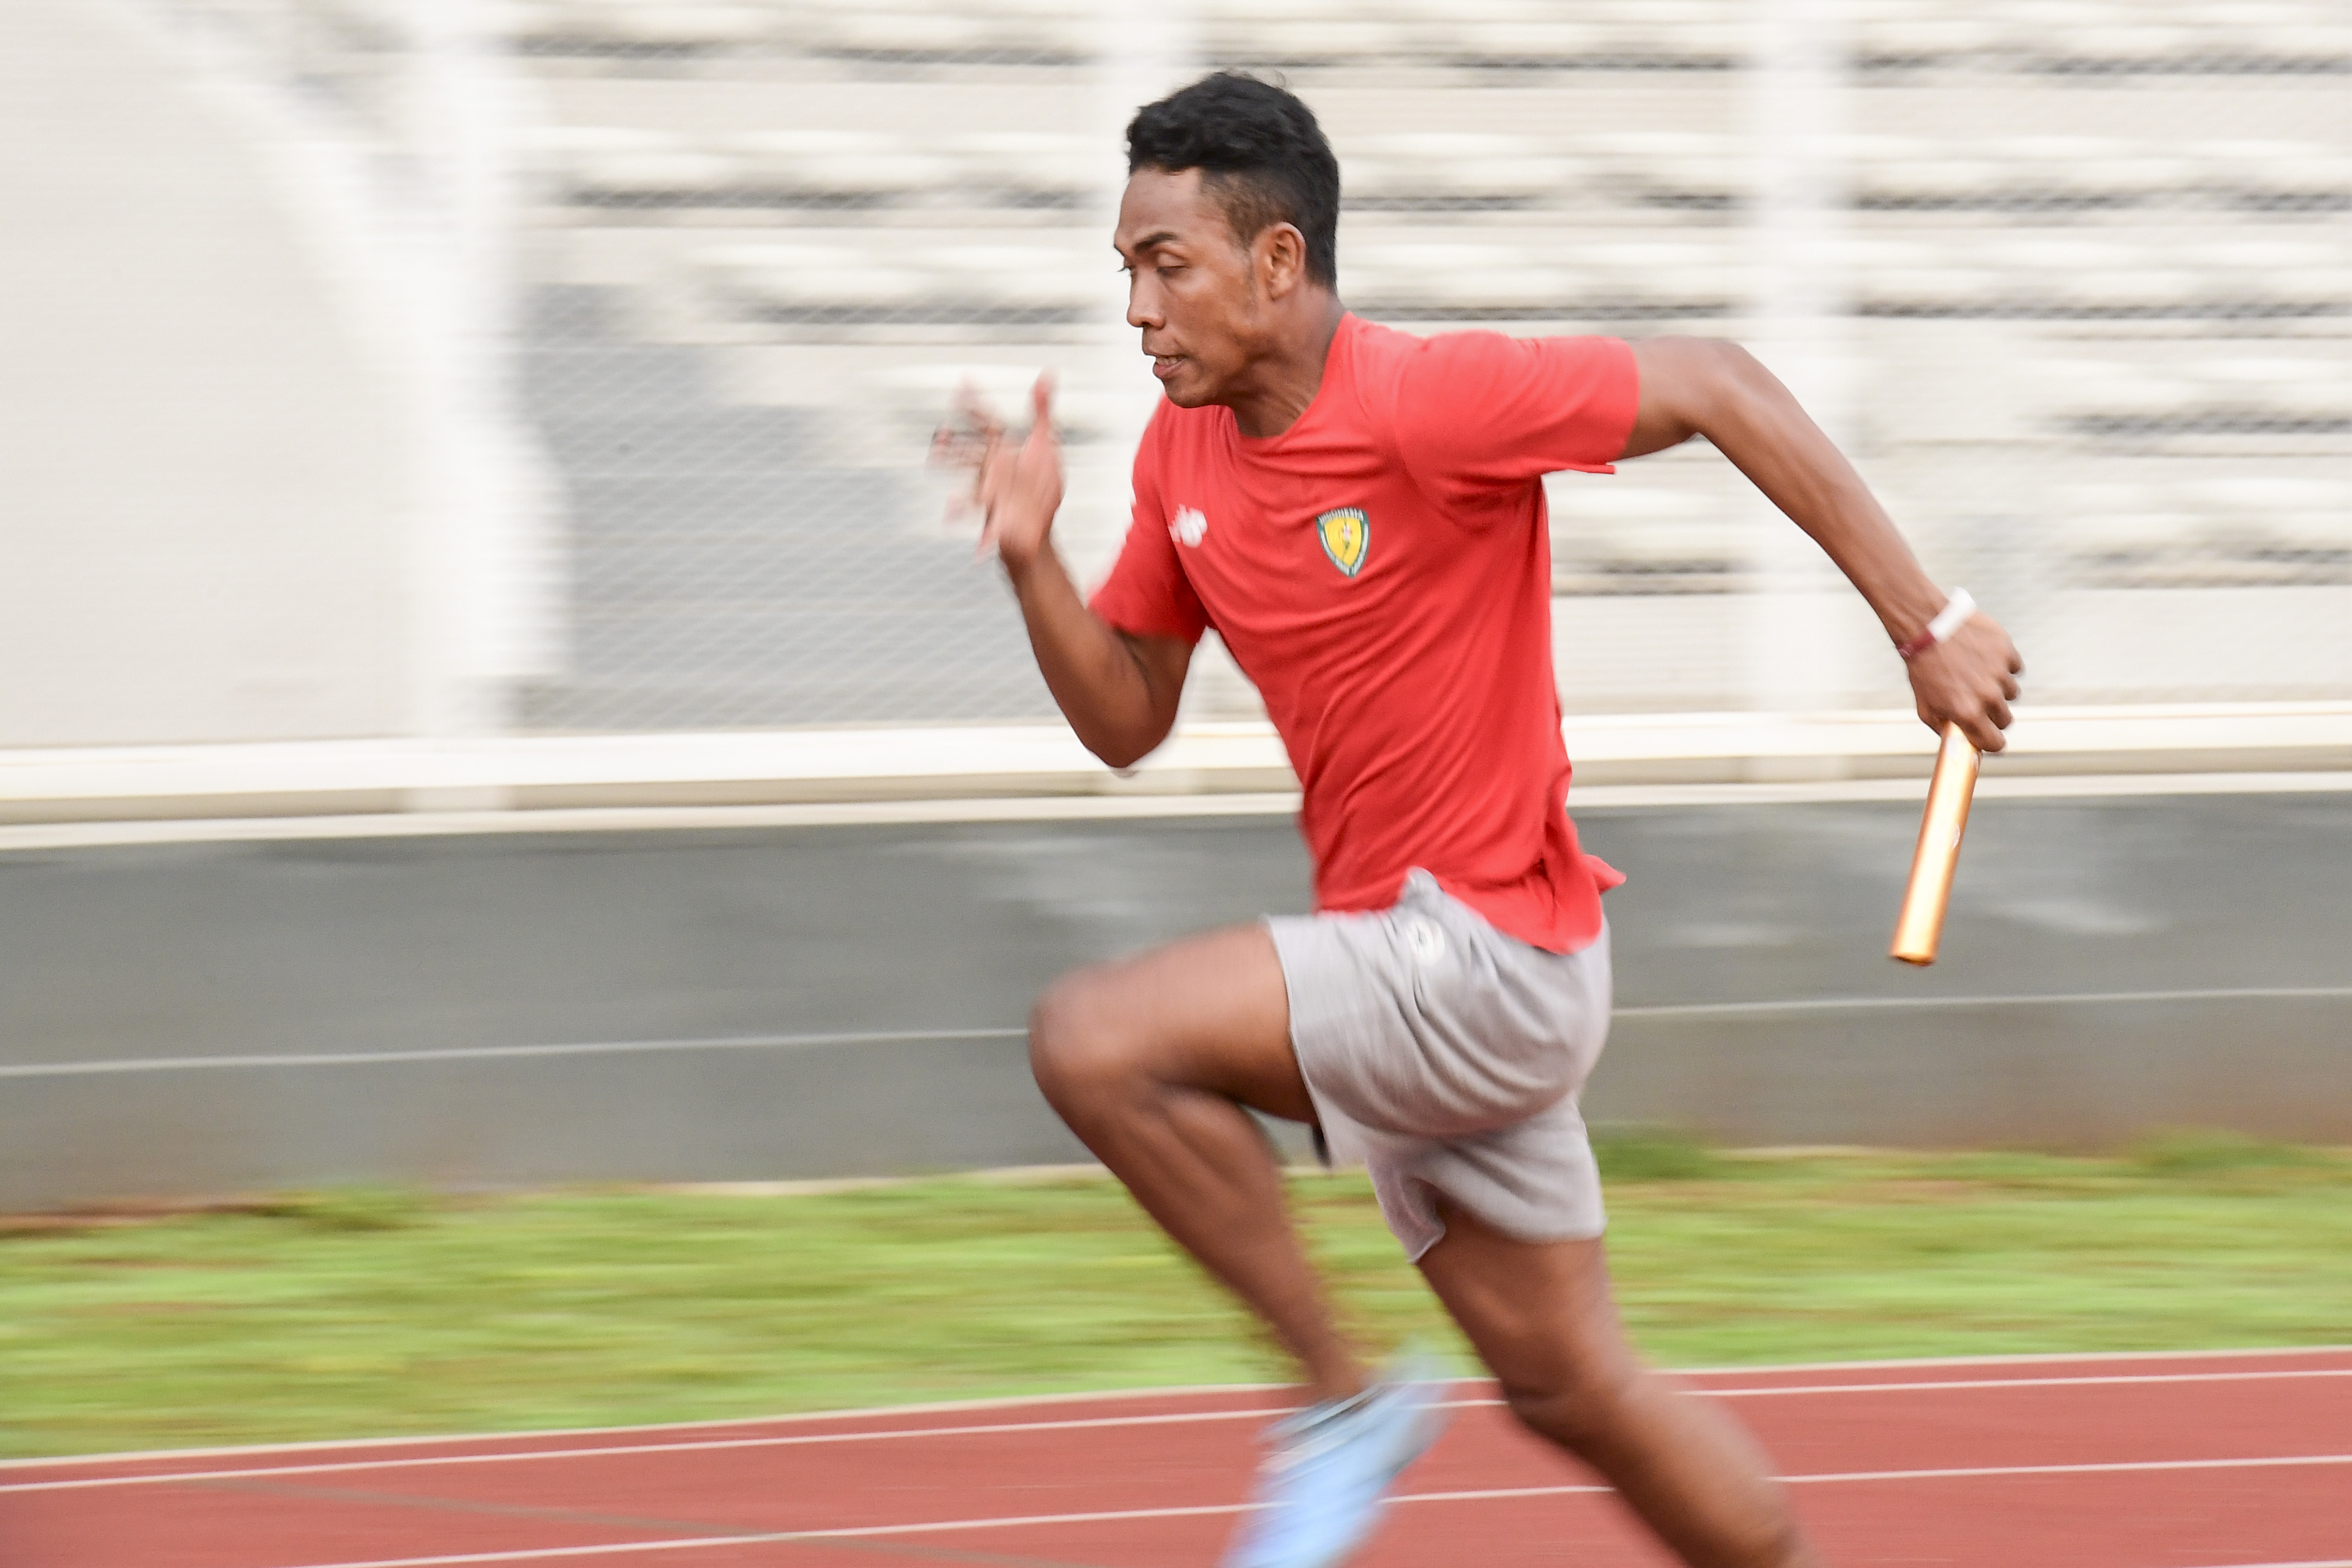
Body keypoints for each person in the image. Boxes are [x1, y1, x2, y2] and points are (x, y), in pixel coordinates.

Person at [939, 71, 2022, 1568]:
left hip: (1482, 955)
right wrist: (1028, 559)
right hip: (1411, 972)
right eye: (1125, 268)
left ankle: (1338, 1400)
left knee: (1092, 1036)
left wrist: (1927, 621)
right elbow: (1126, 717)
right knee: (1572, 1389)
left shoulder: (1429, 399)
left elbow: (1709, 377)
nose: (1136, 307)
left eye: (1164, 265)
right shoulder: (1178, 454)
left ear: (1276, 263)